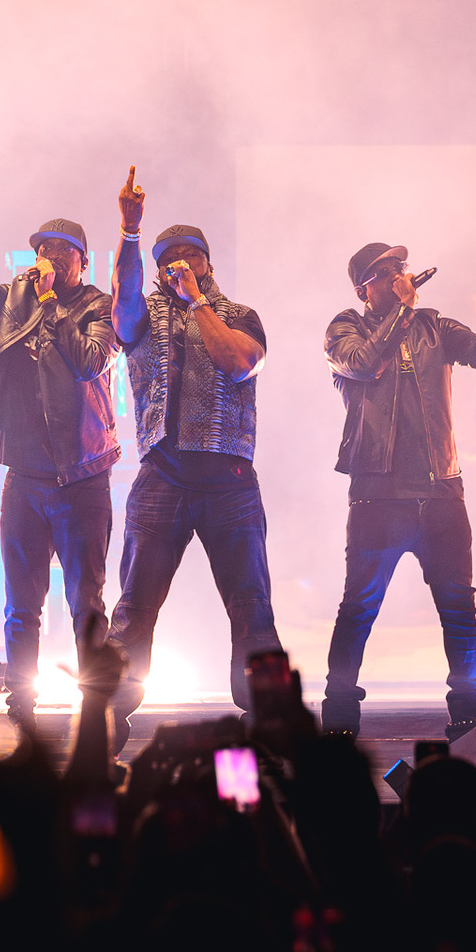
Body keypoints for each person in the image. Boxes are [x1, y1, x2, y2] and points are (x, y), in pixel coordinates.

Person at [0, 173, 121, 724]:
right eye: (42, 250)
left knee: (86, 604)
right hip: (25, 478)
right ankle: (22, 705)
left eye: (62, 251)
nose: (50, 258)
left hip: (82, 477)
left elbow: (88, 361)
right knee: (21, 607)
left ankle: (95, 706)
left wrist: (51, 304)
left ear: (82, 260)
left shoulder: (99, 307)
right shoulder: (18, 296)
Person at [107, 166, 281, 751]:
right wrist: (131, 232)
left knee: (252, 607)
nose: (180, 264)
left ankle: (266, 727)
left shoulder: (239, 315)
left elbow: (240, 363)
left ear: (207, 263)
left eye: (191, 256)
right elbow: (123, 303)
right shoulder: (142, 317)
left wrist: (198, 303)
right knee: (133, 610)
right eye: (169, 260)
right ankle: (106, 723)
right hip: (163, 478)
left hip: (230, 483)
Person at [319, 243, 476, 739]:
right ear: (364, 289)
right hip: (378, 496)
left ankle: (470, 715)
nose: (398, 277)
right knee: (359, 607)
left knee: (459, 607)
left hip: (441, 492)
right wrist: (403, 310)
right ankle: (339, 716)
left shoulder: (434, 326)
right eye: (385, 273)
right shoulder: (345, 329)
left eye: (400, 269)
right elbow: (364, 363)